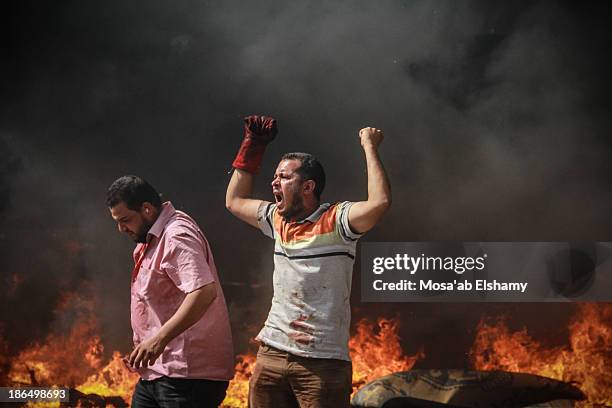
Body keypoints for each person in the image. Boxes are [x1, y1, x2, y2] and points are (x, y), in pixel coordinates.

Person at [225, 116, 391, 408]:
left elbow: (379, 203)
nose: (274, 182)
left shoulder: (337, 221)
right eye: (275, 176)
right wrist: (253, 147)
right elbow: (235, 200)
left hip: (322, 362)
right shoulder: (277, 219)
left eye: (285, 177)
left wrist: (369, 145)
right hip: (272, 353)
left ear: (308, 187)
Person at [106, 175, 234, 408]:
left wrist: (157, 341)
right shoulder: (154, 234)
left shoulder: (176, 235)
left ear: (146, 209)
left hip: (187, 377)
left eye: (125, 220)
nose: (121, 228)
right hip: (158, 372)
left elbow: (203, 291)